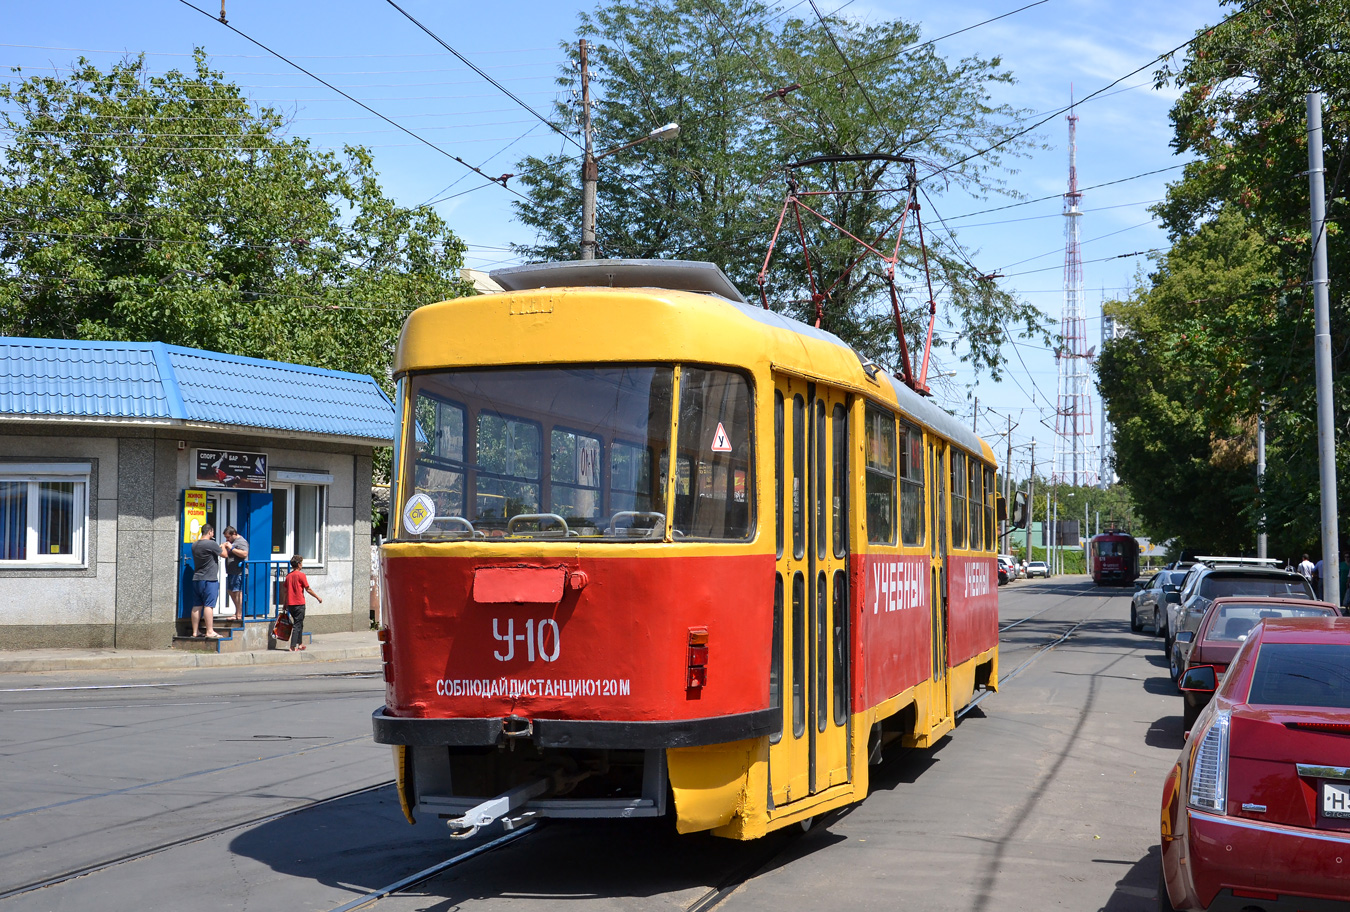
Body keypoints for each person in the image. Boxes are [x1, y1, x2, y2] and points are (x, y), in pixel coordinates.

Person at [283, 554, 322, 652]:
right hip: (299, 603)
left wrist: (284, 604)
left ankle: (300, 644)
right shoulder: (301, 575)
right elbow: (308, 589)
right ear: (299, 564)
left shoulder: (288, 576)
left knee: (299, 623)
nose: (302, 565)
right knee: (297, 624)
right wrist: (317, 597)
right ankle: (292, 646)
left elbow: (285, 592)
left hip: (290, 604)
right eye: (301, 563)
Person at [190, 524, 222, 638]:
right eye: (212, 532)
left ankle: (195, 632)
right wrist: (222, 547)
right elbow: (224, 554)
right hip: (209, 579)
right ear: (210, 532)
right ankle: (209, 631)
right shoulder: (211, 544)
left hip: (197, 578)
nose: (213, 534)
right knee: (209, 605)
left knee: (197, 605)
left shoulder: (194, 545)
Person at [222, 526, 249, 622]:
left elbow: (245, 554)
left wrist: (231, 548)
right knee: (230, 591)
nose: (227, 539)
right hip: (231, 571)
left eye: (228, 537)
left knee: (238, 592)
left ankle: (239, 614)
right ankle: (237, 611)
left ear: (234, 534)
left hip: (239, 572)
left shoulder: (241, 541)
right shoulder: (232, 542)